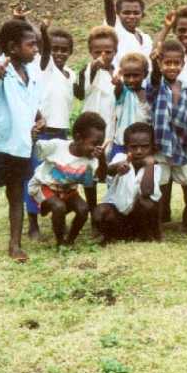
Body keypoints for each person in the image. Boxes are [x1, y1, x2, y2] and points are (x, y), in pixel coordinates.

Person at [0, 19, 43, 261]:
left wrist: (39, 119)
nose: (36, 49)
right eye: (31, 45)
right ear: (13, 48)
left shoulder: (31, 73)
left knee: (16, 195)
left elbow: (31, 104)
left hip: (20, 144)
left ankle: (15, 245)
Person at [147, 39, 187, 233]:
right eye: (167, 63)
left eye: (176, 63)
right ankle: (156, 223)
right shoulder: (156, 86)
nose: (172, 67)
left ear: (183, 63)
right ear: (160, 64)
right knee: (161, 184)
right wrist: (154, 64)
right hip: (161, 145)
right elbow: (154, 78)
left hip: (182, 145)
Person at [26, 19, 74, 240]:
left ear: (70, 52)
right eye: (55, 49)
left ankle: (58, 218)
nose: (59, 53)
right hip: (43, 133)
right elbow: (45, 52)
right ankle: (33, 223)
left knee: (58, 178)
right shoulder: (45, 67)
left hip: (61, 134)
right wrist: (44, 31)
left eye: (64, 50)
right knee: (36, 177)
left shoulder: (71, 74)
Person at [27, 112, 105, 247]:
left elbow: (96, 179)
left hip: (67, 189)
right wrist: (33, 138)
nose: (97, 148)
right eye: (94, 144)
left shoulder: (90, 160)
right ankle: (60, 243)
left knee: (83, 209)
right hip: (44, 185)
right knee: (59, 207)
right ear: (78, 138)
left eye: (100, 145)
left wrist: (101, 159)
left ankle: (70, 241)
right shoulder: (57, 146)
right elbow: (36, 147)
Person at [72, 25, 118, 219]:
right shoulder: (88, 71)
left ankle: (109, 209)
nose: (103, 55)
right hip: (92, 129)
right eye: (97, 52)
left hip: (112, 126)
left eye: (108, 51)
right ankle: (92, 210)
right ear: (90, 52)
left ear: (115, 51)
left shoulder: (118, 72)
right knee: (90, 169)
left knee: (109, 167)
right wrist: (92, 68)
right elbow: (80, 92)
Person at [94, 122, 164, 242]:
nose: (139, 151)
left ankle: (143, 234)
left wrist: (149, 165)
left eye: (145, 146)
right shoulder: (120, 158)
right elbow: (103, 175)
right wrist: (113, 165)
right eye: (133, 147)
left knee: (146, 202)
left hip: (139, 218)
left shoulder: (155, 167)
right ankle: (112, 235)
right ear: (126, 147)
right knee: (99, 212)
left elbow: (147, 192)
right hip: (119, 216)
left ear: (152, 147)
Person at [109, 52, 151, 161]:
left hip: (142, 146)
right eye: (127, 76)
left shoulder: (149, 95)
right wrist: (118, 83)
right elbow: (118, 89)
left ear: (145, 74)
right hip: (121, 145)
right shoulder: (124, 92)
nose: (131, 79)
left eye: (136, 75)